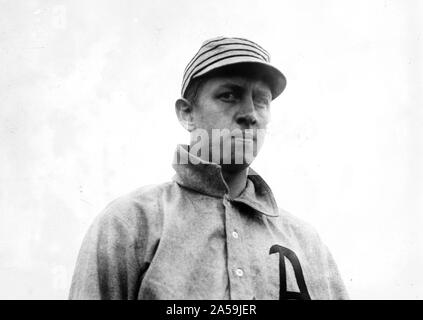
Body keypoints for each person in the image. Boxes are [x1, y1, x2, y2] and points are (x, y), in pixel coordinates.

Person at [69, 36, 349, 300]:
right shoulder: (130, 223)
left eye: (261, 100)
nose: (249, 114)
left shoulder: (307, 245)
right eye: (229, 95)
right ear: (186, 113)